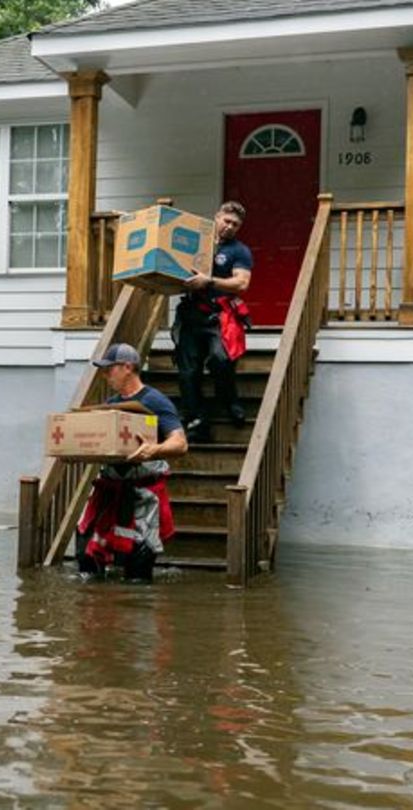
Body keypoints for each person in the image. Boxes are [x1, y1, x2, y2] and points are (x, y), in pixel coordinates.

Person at [74, 343, 189, 581]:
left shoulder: (155, 402)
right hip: (110, 491)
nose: (105, 375)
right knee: (86, 559)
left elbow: (180, 443)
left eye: (110, 369)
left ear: (128, 367)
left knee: (138, 570)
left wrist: (153, 450)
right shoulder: (112, 405)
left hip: (142, 495)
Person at [174, 200, 253, 443]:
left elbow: (242, 283)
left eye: (235, 224)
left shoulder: (239, 251)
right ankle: (197, 418)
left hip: (219, 316)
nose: (229, 227)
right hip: (190, 314)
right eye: (226, 221)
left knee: (221, 359)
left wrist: (209, 282)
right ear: (216, 217)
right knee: (188, 370)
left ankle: (229, 399)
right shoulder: (195, 242)